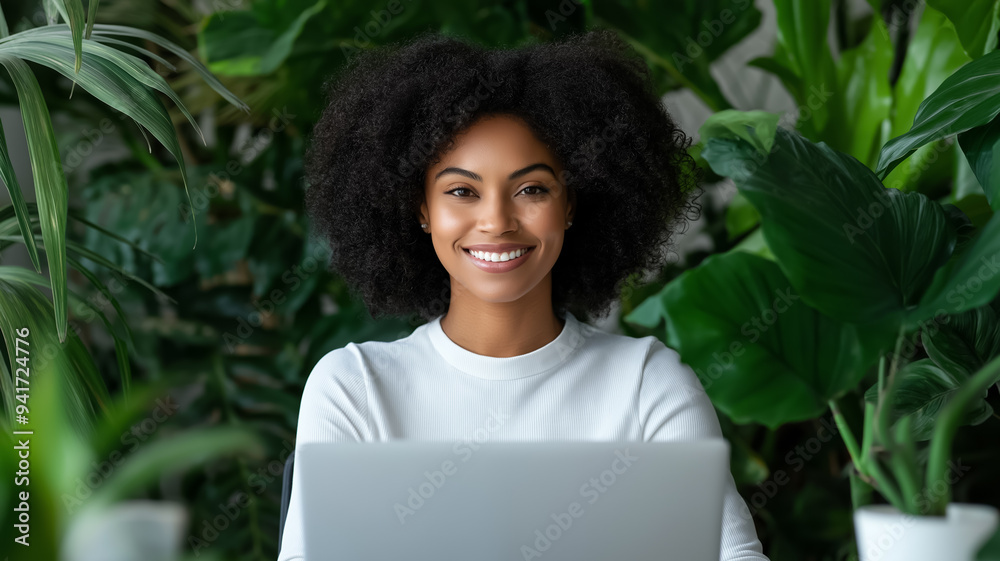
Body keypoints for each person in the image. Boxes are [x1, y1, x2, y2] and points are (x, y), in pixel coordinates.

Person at [278, 28, 769, 561]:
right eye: (461, 191)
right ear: (421, 209)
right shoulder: (357, 389)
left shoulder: (646, 386)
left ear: (571, 204)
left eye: (531, 189)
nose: (496, 221)